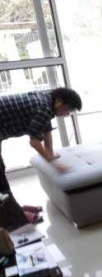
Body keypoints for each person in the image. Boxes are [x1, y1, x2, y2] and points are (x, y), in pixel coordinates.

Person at [0, 87, 82, 229]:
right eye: (67, 108)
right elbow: (34, 142)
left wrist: (50, 154)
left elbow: (46, 131)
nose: (67, 113)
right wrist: (52, 163)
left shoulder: (46, 102)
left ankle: (12, 209)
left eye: (70, 112)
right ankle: (13, 216)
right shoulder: (43, 108)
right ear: (59, 100)